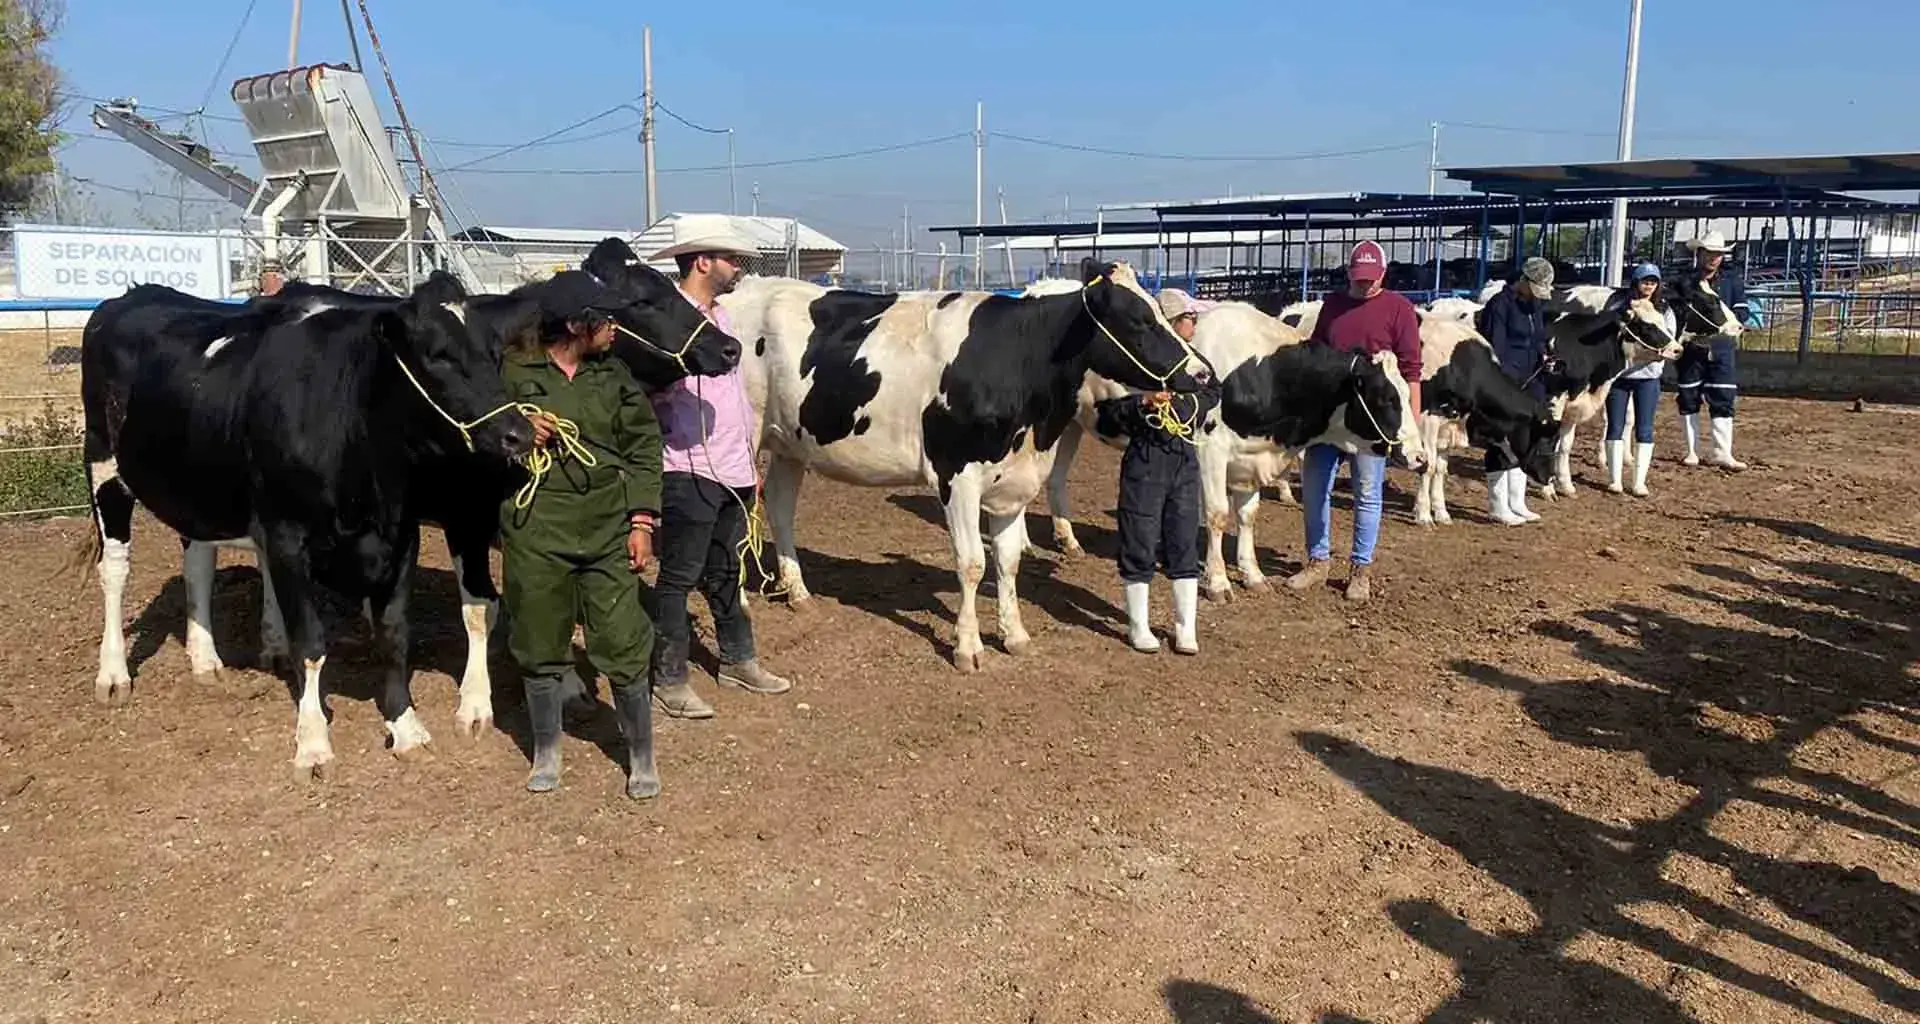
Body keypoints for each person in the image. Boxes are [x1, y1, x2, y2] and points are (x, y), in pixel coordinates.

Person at [499, 270, 663, 800]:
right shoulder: (513, 376)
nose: (615, 326)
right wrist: (520, 430)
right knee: (540, 639)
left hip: (606, 527)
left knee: (622, 639)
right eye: (606, 318)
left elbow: (643, 449)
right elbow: (477, 438)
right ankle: (547, 752)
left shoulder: (613, 376)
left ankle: (641, 756)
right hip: (536, 528)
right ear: (576, 324)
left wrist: (642, 523)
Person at [646, 224, 792, 720]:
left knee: (729, 567)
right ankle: (668, 679)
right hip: (686, 466)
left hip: (732, 467)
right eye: (733, 258)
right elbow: (648, 391)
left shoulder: (722, 318)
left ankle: (737, 658)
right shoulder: (666, 323)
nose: (740, 268)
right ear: (702, 262)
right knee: (679, 576)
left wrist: (748, 456)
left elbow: (733, 397)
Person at [1285, 239, 1422, 604]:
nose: (1365, 285)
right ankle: (1317, 559)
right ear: (1349, 273)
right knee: (1314, 487)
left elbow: (1411, 370)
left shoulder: (1399, 309)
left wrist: (1412, 423)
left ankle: (1360, 568)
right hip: (1329, 417)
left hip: (1371, 421)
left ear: (1383, 273)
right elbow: (1315, 353)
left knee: (1367, 490)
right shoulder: (1332, 305)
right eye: (1359, 278)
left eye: (1371, 278)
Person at [1094, 298, 1219, 654]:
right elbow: (1106, 412)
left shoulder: (1196, 361)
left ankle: (1186, 628)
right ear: (1170, 321)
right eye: (1188, 318)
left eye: (1194, 318)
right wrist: (1143, 404)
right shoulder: (1133, 362)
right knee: (1140, 536)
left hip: (1183, 456)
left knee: (1183, 538)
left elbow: (1213, 391)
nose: (1194, 325)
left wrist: (1184, 406)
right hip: (1145, 458)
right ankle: (1139, 625)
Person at [1473, 256, 1556, 525]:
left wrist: (1545, 354)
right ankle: (1498, 505)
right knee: (1502, 439)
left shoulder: (1535, 304)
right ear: (1523, 281)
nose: (1537, 295)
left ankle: (1517, 501)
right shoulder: (1499, 305)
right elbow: (1493, 348)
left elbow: (1538, 337)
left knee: (1527, 438)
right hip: (1507, 383)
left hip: (1534, 379)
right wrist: (1506, 383)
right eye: (1535, 288)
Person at [1673, 230, 1750, 470]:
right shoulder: (1684, 282)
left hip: (1721, 345)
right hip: (1692, 346)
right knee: (1688, 396)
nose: (1714, 258)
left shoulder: (1732, 281)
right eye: (1710, 253)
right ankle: (1691, 451)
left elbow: (1742, 312)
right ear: (1700, 254)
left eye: (1718, 254)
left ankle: (1722, 452)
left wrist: (1725, 320)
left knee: (1723, 396)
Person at [1603, 262, 1677, 496]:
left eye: (1653, 281)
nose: (1649, 285)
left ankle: (1639, 482)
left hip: (1649, 377)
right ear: (1635, 282)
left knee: (1644, 428)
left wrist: (1655, 357)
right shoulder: (1619, 307)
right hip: (1620, 376)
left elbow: (1668, 341)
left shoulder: (1664, 310)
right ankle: (1614, 479)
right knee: (1614, 426)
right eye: (1645, 280)